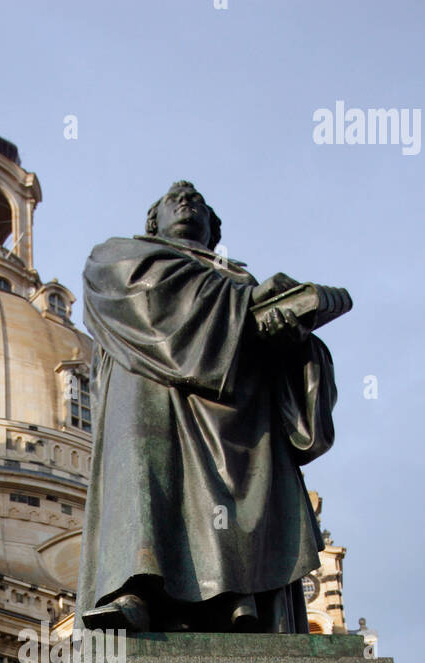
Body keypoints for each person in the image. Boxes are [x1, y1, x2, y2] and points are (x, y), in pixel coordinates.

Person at [78, 181, 343, 634]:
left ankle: (236, 598)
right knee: (144, 471)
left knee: (232, 491)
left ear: (213, 228)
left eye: (197, 201)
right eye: (174, 198)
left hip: (232, 413)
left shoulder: (236, 281)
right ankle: (135, 589)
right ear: (153, 220)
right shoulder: (119, 256)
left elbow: (279, 360)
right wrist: (242, 310)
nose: (186, 203)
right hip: (149, 391)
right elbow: (144, 306)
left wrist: (291, 338)